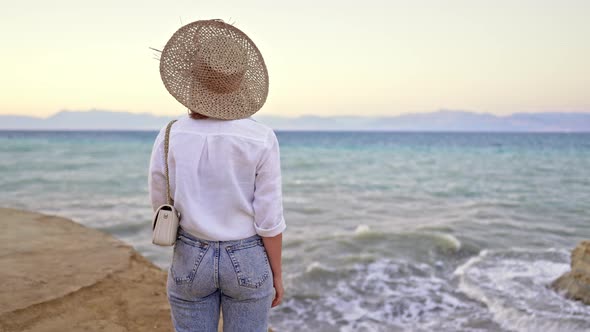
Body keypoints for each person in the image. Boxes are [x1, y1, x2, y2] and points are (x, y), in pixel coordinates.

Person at [148, 19, 285, 332]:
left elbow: (159, 199)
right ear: (238, 83)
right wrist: (276, 274)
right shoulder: (261, 137)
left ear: (193, 80)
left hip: (190, 253)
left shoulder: (170, 134)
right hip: (248, 255)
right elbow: (269, 219)